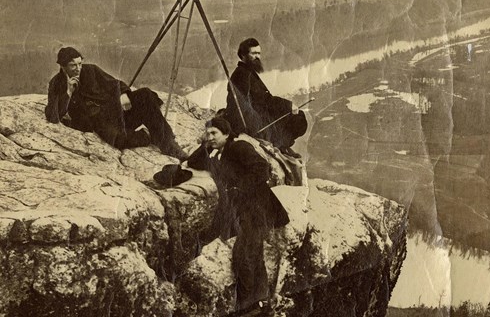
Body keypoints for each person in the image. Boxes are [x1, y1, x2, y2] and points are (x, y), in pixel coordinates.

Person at [186, 117, 289, 314]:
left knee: (244, 253)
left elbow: (262, 168)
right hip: (244, 210)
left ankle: (249, 307)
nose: (210, 137)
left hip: (258, 208)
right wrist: (206, 145)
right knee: (254, 253)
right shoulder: (220, 155)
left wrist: (239, 188)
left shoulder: (238, 147)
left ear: (226, 133)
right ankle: (260, 303)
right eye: (207, 133)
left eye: (214, 133)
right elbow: (194, 161)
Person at [45, 47, 188, 160]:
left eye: (79, 63)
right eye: (72, 65)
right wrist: (68, 92)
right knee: (119, 140)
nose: (78, 68)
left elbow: (115, 84)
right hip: (99, 123)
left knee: (145, 95)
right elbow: (52, 116)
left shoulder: (91, 70)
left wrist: (124, 94)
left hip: (115, 112)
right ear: (63, 67)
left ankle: (168, 143)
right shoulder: (56, 83)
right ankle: (147, 135)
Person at [225, 38, 307, 158]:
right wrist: (289, 106)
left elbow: (263, 99)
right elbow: (242, 104)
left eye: (258, 53)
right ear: (243, 55)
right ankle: (280, 145)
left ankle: (281, 144)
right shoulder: (242, 74)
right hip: (251, 121)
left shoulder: (247, 71)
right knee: (297, 118)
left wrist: (287, 106)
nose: (257, 56)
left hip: (257, 114)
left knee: (297, 117)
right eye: (253, 53)